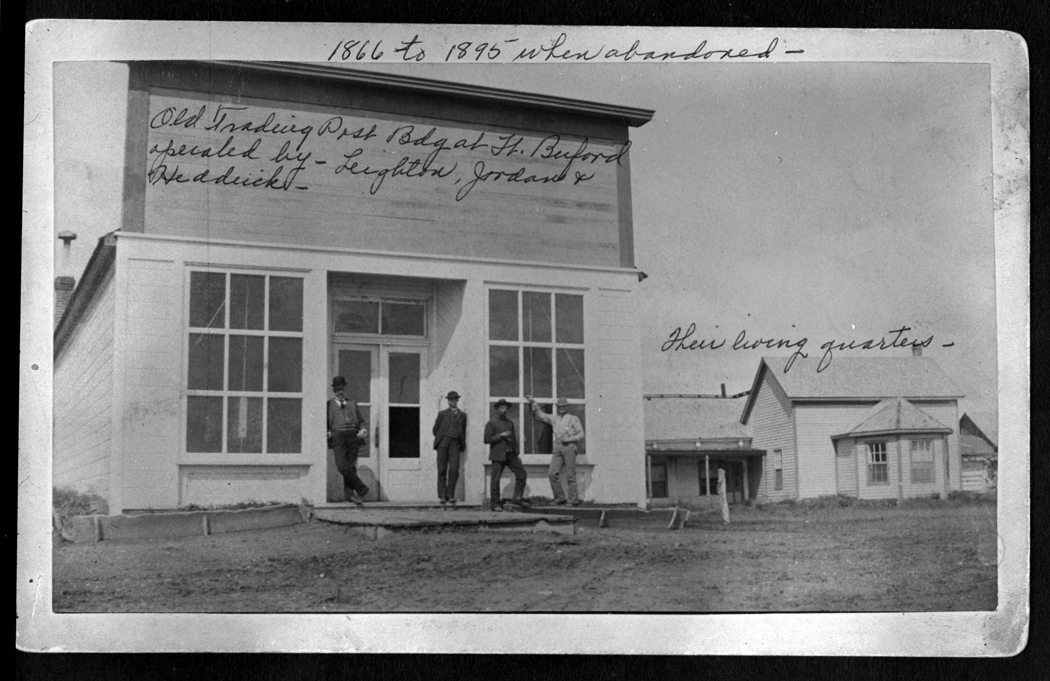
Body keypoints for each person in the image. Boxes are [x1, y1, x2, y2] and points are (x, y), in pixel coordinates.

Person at [525, 395, 584, 506]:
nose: (561, 408)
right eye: (559, 406)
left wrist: (569, 439)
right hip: (557, 447)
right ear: (557, 407)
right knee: (552, 473)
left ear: (567, 407)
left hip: (569, 447)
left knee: (570, 475)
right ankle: (559, 498)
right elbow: (541, 416)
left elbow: (581, 434)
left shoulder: (573, 418)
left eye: (563, 406)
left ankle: (573, 500)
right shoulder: (555, 418)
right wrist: (533, 402)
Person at [327, 376, 369, 506]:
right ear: (334, 390)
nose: (340, 392)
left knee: (350, 467)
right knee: (342, 467)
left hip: (353, 436)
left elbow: (361, 421)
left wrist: (363, 430)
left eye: (342, 389)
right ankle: (362, 489)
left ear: (345, 388)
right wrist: (327, 431)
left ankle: (350, 495)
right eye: (337, 389)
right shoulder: (328, 404)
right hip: (337, 436)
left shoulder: (352, 403)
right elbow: (325, 422)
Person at [483, 399, 530, 512]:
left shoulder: (510, 423)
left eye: (506, 408)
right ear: (497, 409)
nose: (504, 410)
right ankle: (495, 504)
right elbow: (486, 439)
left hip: (511, 454)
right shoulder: (492, 422)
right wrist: (500, 435)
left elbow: (513, 439)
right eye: (502, 408)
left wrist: (517, 453)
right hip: (498, 454)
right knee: (496, 480)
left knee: (522, 474)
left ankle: (517, 498)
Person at [432, 390, 467, 507]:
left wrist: (461, 443)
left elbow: (463, 431)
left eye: (453, 399)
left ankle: (450, 495)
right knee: (442, 469)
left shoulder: (462, 415)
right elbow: (435, 430)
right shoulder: (442, 414)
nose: (451, 402)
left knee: (454, 469)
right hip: (443, 443)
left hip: (455, 444)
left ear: (457, 400)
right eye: (449, 400)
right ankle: (442, 495)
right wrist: (442, 438)